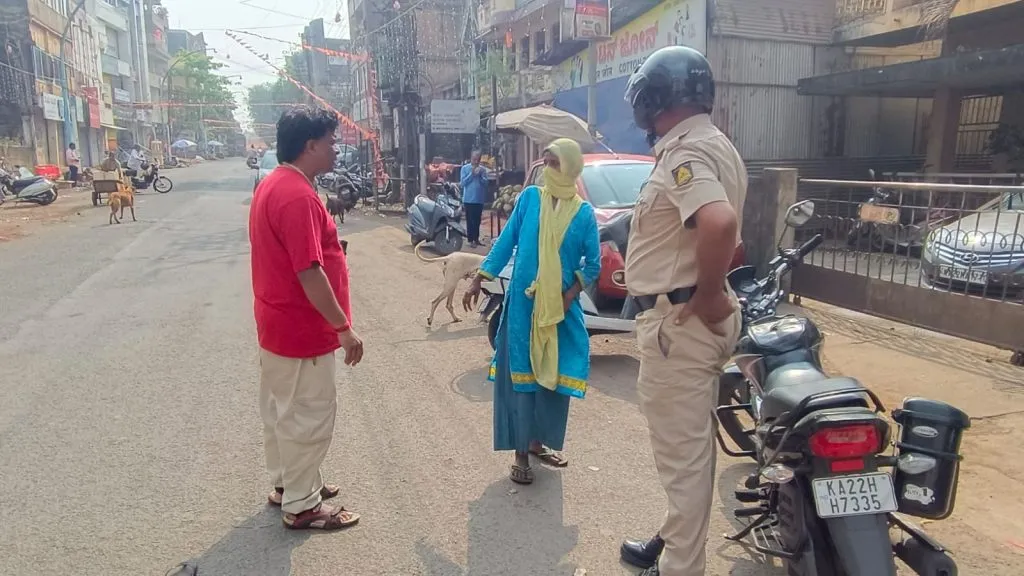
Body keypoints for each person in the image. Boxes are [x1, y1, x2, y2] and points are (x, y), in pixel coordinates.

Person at [617, 46, 748, 576]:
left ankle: (680, 567)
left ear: (654, 98)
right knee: (690, 454)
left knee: (684, 465)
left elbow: (717, 224)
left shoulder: (685, 152)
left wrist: (709, 291)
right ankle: (673, 544)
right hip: (691, 316)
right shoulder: (715, 144)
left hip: (682, 322)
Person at [249, 105, 364, 531]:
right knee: (308, 416)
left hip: (278, 324)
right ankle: (301, 506)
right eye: (331, 142)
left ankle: (289, 484)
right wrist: (344, 328)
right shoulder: (296, 196)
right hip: (301, 329)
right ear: (310, 145)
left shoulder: (276, 184)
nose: (336, 149)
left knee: (284, 412)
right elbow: (308, 270)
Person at [463, 138, 601, 485]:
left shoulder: (583, 213)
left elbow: (593, 264)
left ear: (570, 168)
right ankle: (520, 452)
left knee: (551, 379)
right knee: (522, 378)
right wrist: (479, 277)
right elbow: (507, 240)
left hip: (558, 309)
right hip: (523, 308)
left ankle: (539, 443)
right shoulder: (529, 199)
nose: (549, 170)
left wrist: (570, 294)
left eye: (555, 164)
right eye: (546, 163)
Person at [460, 151, 488, 248]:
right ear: (471, 158)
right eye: (474, 159)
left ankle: (476, 239)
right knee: (470, 220)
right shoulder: (465, 168)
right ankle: (470, 239)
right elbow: (463, 183)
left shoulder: (483, 170)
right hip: (468, 199)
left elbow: (485, 183)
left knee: (477, 220)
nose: (476, 162)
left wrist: (480, 176)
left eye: (478, 160)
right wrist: (471, 174)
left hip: (479, 199)